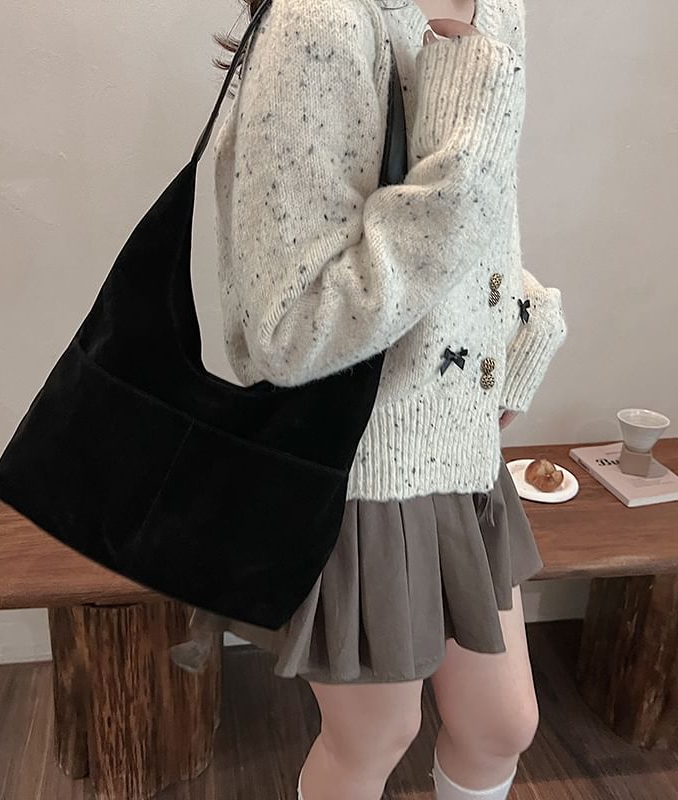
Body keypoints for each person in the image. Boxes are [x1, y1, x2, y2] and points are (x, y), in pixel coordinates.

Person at [169, 0, 569, 798]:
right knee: (376, 737)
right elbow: (291, 330)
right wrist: (468, 157)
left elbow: (483, 226)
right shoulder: (320, 22)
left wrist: (522, 334)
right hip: (360, 466)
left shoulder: (494, 8)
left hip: (457, 448)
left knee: (500, 726)